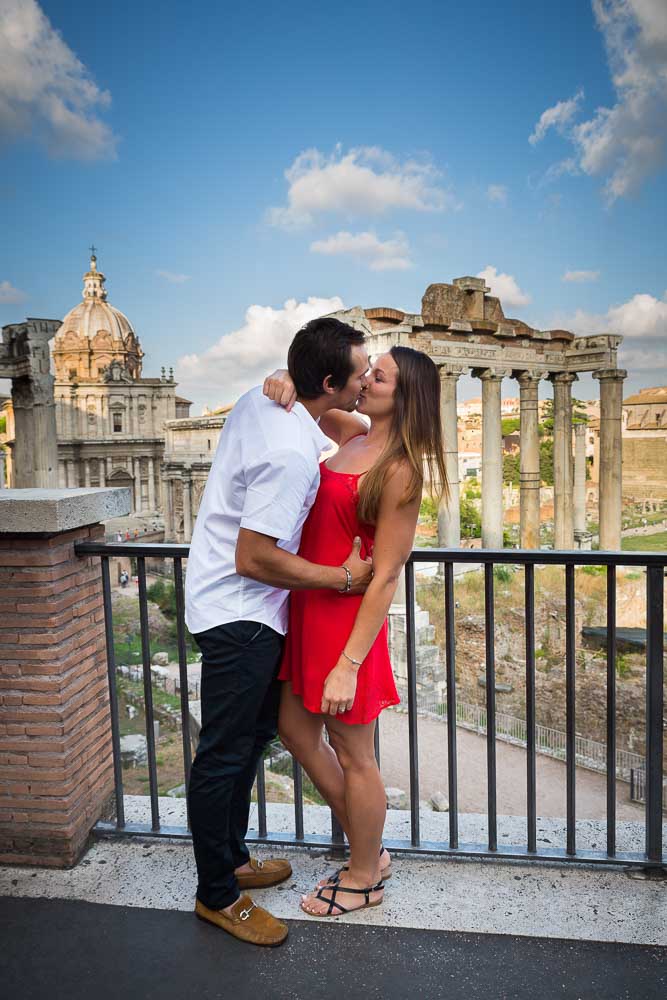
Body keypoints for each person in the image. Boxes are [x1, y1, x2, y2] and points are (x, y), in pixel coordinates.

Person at [184, 317, 373, 947]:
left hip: (246, 609)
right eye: (358, 373)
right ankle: (217, 895)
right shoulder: (291, 451)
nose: (366, 380)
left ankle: (233, 858)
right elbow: (255, 556)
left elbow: (359, 425)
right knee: (225, 752)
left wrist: (280, 378)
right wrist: (341, 580)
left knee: (249, 739)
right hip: (242, 610)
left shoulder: (267, 404)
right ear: (327, 380)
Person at [263, 345, 447, 918]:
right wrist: (280, 378)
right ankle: (370, 844)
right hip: (311, 609)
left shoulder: (399, 469)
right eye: (368, 370)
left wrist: (349, 662)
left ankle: (365, 875)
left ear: (405, 395)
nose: (364, 379)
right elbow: (311, 402)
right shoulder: (351, 432)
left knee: (354, 753)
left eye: (379, 375)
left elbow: (388, 573)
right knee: (294, 729)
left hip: (349, 627)